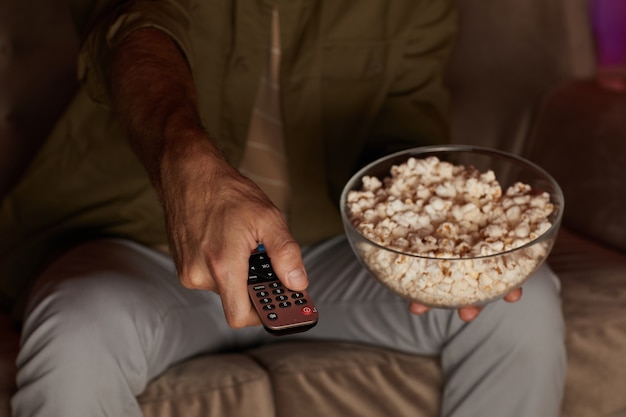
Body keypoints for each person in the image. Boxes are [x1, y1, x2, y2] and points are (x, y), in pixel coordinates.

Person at [1, 1, 566, 416]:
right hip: (138, 248)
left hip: (328, 254)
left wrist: (443, 232)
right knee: (77, 326)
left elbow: (402, 126)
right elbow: (131, 30)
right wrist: (186, 160)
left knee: (521, 303)